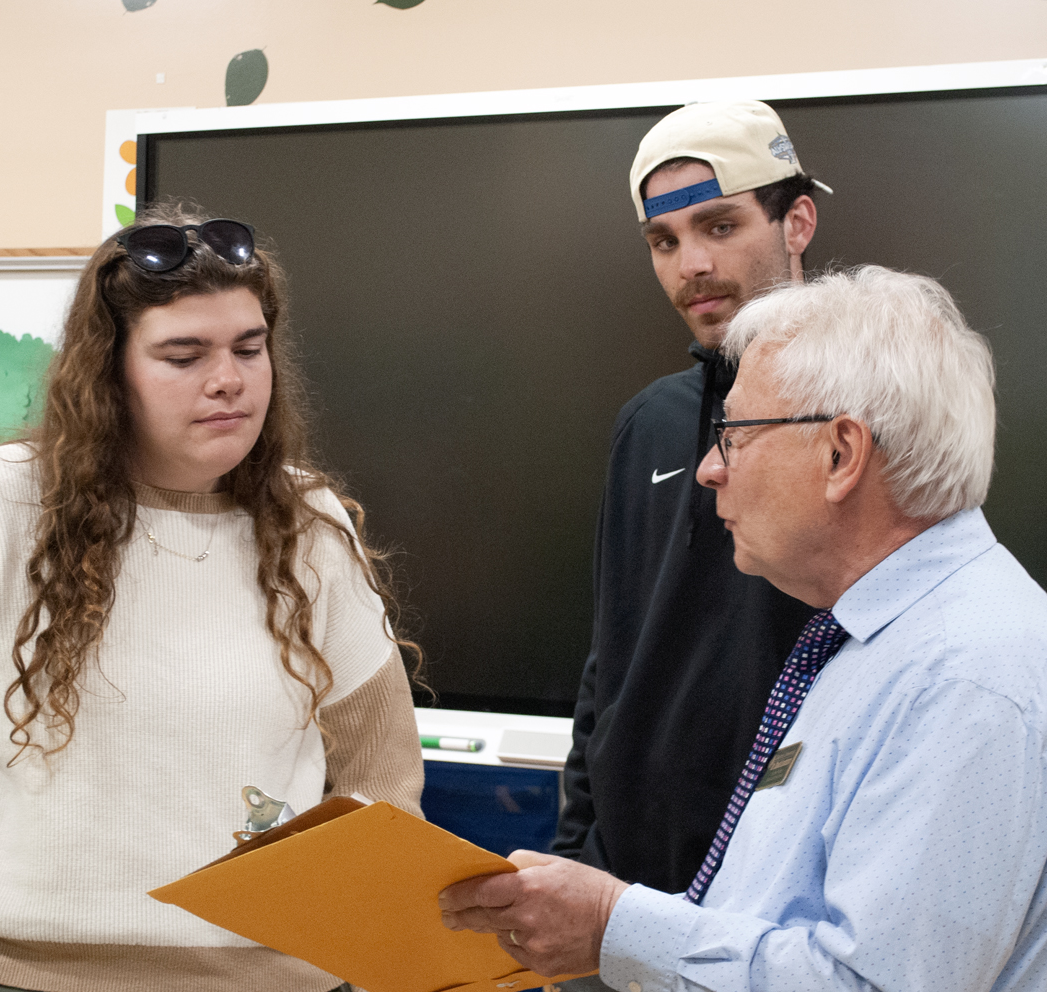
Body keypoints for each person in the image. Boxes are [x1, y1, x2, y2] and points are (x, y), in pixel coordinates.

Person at [0, 209, 424, 992]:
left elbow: (380, 790)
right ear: (107, 371)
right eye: (183, 355)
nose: (229, 379)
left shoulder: (311, 526)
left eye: (249, 349)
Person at [440, 266, 1047, 992]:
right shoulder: (878, 639)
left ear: (840, 454)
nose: (706, 470)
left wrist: (613, 927)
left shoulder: (963, 681)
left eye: (734, 434)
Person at [553, 100, 824, 894]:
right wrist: (578, 851)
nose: (690, 264)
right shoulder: (651, 424)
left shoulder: (869, 412)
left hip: (776, 893)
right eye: (663, 241)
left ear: (796, 222)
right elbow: (613, 656)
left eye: (719, 226)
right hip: (622, 889)